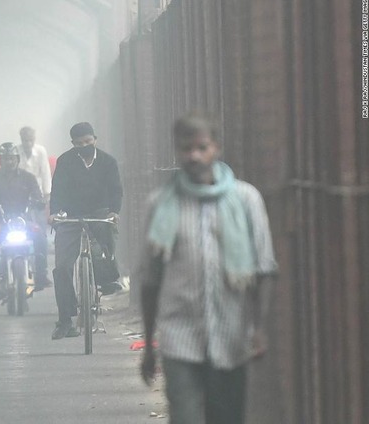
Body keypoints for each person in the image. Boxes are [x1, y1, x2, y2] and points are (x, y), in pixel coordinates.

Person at [139, 113, 278, 424]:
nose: (194, 156)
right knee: (185, 416)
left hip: (231, 336)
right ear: (177, 150)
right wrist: (149, 344)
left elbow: (264, 268)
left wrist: (259, 327)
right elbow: (150, 280)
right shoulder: (160, 205)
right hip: (180, 338)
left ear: (216, 147)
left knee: (227, 417)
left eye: (202, 147)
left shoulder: (245, 199)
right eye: (186, 148)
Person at [48, 122, 123, 340]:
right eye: (80, 143)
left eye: (88, 142)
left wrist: (114, 211)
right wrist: (55, 212)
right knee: (62, 267)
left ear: (95, 139)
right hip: (71, 216)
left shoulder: (108, 162)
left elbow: (116, 190)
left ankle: (107, 279)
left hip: (99, 213)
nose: (85, 146)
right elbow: (58, 189)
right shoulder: (65, 161)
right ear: (73, 144)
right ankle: (65, 321)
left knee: (104, 242)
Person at [0, 142, 52, 299]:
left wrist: (39, 202)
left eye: (12, 158)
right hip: (1, 223)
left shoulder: (29, 178)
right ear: (0, 160)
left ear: (17, 160)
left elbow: (37, 195)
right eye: (5, 159)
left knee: (40, 235)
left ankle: (41, 275)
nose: (9, 162)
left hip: (24, 222)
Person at [17, 126, 52, 199]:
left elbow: (45, 173)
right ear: (21, 139)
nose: (28, 143)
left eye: (31, 140)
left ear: (34, 139)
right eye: (25, 140)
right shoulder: (16, 151)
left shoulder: (41, 151)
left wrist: (47, 193)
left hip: (37, 190)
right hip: (19, 191)